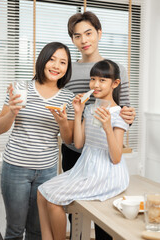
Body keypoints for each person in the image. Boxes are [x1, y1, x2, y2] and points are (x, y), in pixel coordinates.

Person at [62, 11, 136, 240]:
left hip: (105, 155)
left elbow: (124, 110)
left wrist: (129, 116)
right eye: (77, 36)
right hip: (76, 152)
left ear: (99, 33)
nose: (84, 40)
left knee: (105, 215)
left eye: (88, 33)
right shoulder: (67, 70)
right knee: (76, 213)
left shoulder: (116, 69)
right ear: (72, 40)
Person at [37, 59, 130, 240]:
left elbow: (116, 157)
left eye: (102, 80)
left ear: (115, 83)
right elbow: (78, 144)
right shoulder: (89, 109)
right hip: (86, 166)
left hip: (107, 173)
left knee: (54, 199)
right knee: (41, 192)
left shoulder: (120, 114)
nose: (95, 84)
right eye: (93, 79)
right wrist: (78, 112)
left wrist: (107, 127)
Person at [0, 42, 75, 240]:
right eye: (52, 59)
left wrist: (63, 123)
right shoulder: (20, 87)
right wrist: (12, 113)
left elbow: (69, 138)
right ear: (42, 61)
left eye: (63, 62)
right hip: (15, 168)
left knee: (38, 230)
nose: (56, 66)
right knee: (15, 230)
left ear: (67, 68)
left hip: (47, 171)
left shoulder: (67, 97)